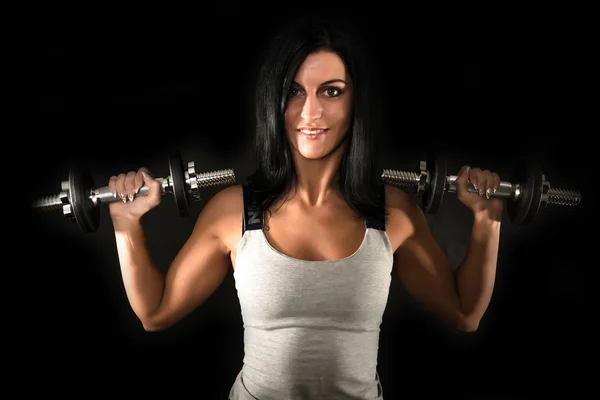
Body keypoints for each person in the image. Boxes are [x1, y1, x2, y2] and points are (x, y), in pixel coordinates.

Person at [106, 15, 503, 400]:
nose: (310, 112)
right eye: (295, 91)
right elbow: (155, 314)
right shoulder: (234, 212)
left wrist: (487, 221)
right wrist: (126, 226)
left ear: (355, 101)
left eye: (331, 91)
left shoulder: (393, 213)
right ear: (273, 101)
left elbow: (464, 315)